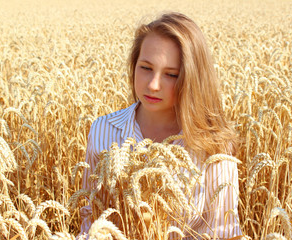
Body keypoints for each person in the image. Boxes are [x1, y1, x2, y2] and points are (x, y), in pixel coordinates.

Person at [79, 12, 242, 239]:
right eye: (145, 68)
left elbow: (223, 232)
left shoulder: (214, 145)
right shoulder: (104, 131)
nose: (153, 85)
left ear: (191, 79)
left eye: (171, 75)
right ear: (133, 65)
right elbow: (91, 217)